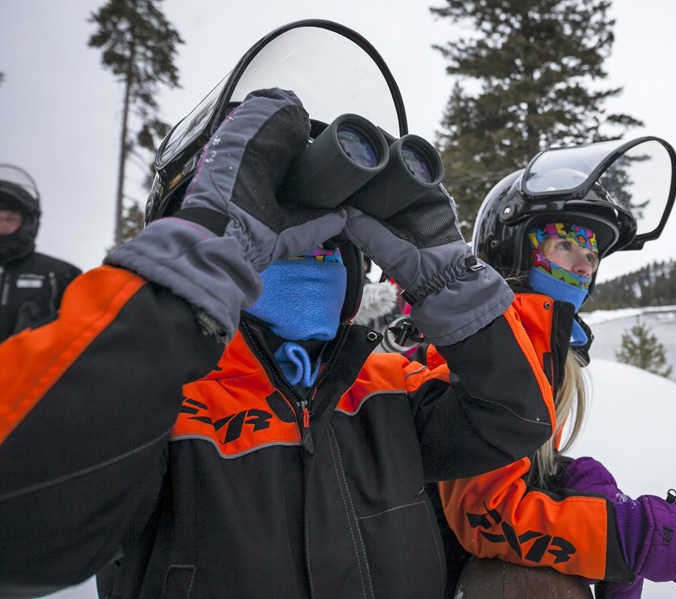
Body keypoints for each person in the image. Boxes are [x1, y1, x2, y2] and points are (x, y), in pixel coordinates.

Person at [0, 89, 556, 599]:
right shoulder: (172, 400)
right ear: (228, 253)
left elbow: (515, 419)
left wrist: (451, 282)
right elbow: (27, 526)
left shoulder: (388, 391)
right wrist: (185, 282)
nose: (314, 256)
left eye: (330, 244)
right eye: (285, 242)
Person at [432, 156, 676, 598]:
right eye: (566, 246)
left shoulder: (537, 347)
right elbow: (486, 517)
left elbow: (503, 467)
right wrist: (640, 536)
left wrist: (566, 478)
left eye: (591, 254)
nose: (584, 267)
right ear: (513, 247)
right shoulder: (476, 345)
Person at [0, 164, 81, 342]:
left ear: (28, 223)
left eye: (10, 219)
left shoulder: (60, 275)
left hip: (39, 368)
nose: (2, 225)